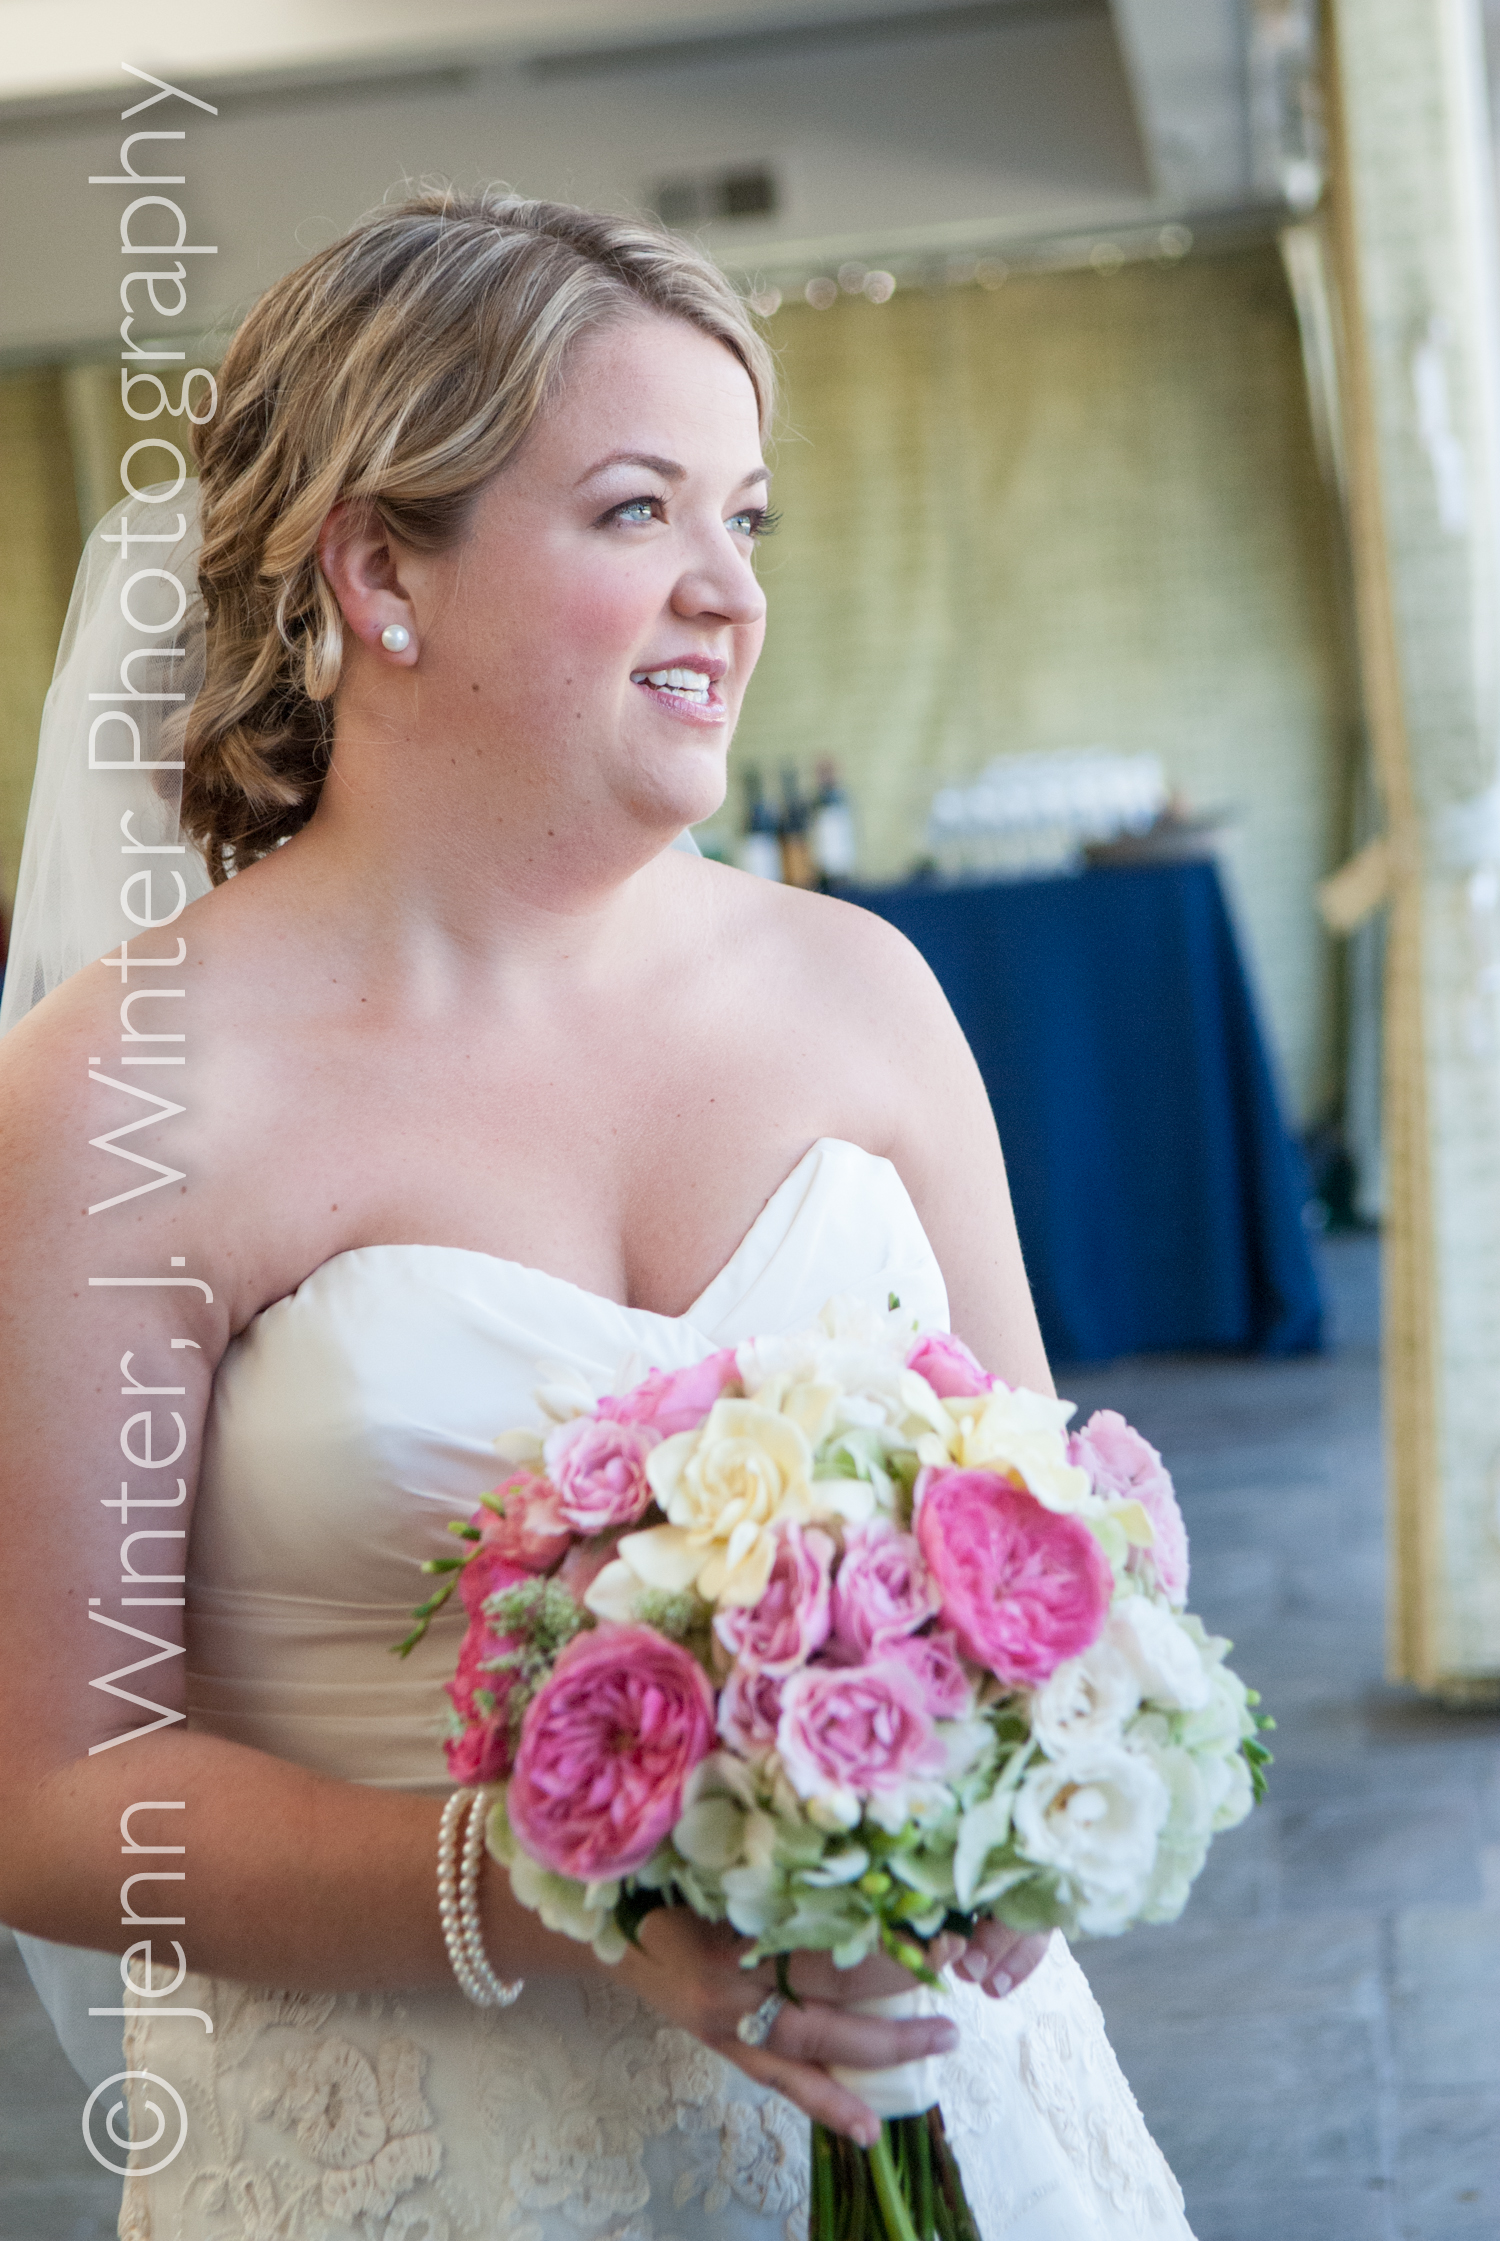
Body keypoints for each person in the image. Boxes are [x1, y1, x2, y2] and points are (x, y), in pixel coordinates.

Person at [0, 193, 1193, 2241]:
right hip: (430, 2165)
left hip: (954, 2108)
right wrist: (556, 1881)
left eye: (750, 516)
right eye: (640, 511)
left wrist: (1001, 1814)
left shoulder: (868, 994)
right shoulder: (122, 1091)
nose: (732, 591)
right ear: (381, 570)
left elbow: (1063, 1555)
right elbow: (46, 1796)